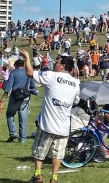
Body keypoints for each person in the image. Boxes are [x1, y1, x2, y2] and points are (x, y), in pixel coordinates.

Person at [25, 50, 80, 183]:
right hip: (64, 125)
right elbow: (76, 102)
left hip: (48, 123)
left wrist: (27, 57)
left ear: (62, 66)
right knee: (58, 153)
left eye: (57, 61)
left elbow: (30, 73)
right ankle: (54, 178)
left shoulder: (52, 76)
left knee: (39, 150)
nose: (55, 63)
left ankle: (38, 175)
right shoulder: (76, 83)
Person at [1, 58, 34, 143]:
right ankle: (22, 138)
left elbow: (8, 87)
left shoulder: (13, 73)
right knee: (23, 118)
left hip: (15, 96)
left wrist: (4, 97)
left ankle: (13, 132)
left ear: (15, 65)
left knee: (10, 114)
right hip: (25, 96)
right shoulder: (28, 72)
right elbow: (32, 85)